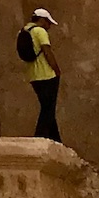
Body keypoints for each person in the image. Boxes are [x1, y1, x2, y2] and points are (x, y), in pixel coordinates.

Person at [24, 8, 61, 142]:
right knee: (48, 109)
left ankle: (56, 140)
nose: (49, 25)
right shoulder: (40, 31)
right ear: (42, 20)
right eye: (48, 22)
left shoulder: (25, 30)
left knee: (47, 107)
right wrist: (57, 70)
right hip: (47, 75)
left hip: (33, 76)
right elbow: (47, 52)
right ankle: (39, 138)